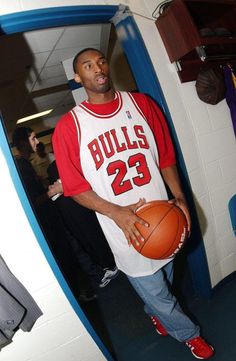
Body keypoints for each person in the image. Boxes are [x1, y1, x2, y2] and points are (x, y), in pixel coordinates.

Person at [52, 48, 214, 359]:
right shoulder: (70, 127)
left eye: (100, 61)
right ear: (78, 77)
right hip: (124, 229)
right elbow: (74, 188)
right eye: (87, 65)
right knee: (159, 292)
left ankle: (153, 310)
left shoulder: (141, 104)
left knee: (165, 276)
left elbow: (165, 156)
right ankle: (190, 335)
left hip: (163, 216)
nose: (97, 68)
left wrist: (179, 197)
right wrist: (115, 213)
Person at [47, 160, 119, 288]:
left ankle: (108, 265)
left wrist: (60, 188)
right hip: (76, 205)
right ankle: (108, 264)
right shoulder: (59, 165)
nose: (37, 142)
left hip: (76, 204)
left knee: (87, 237)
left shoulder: (58, 166)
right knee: (88, 236)